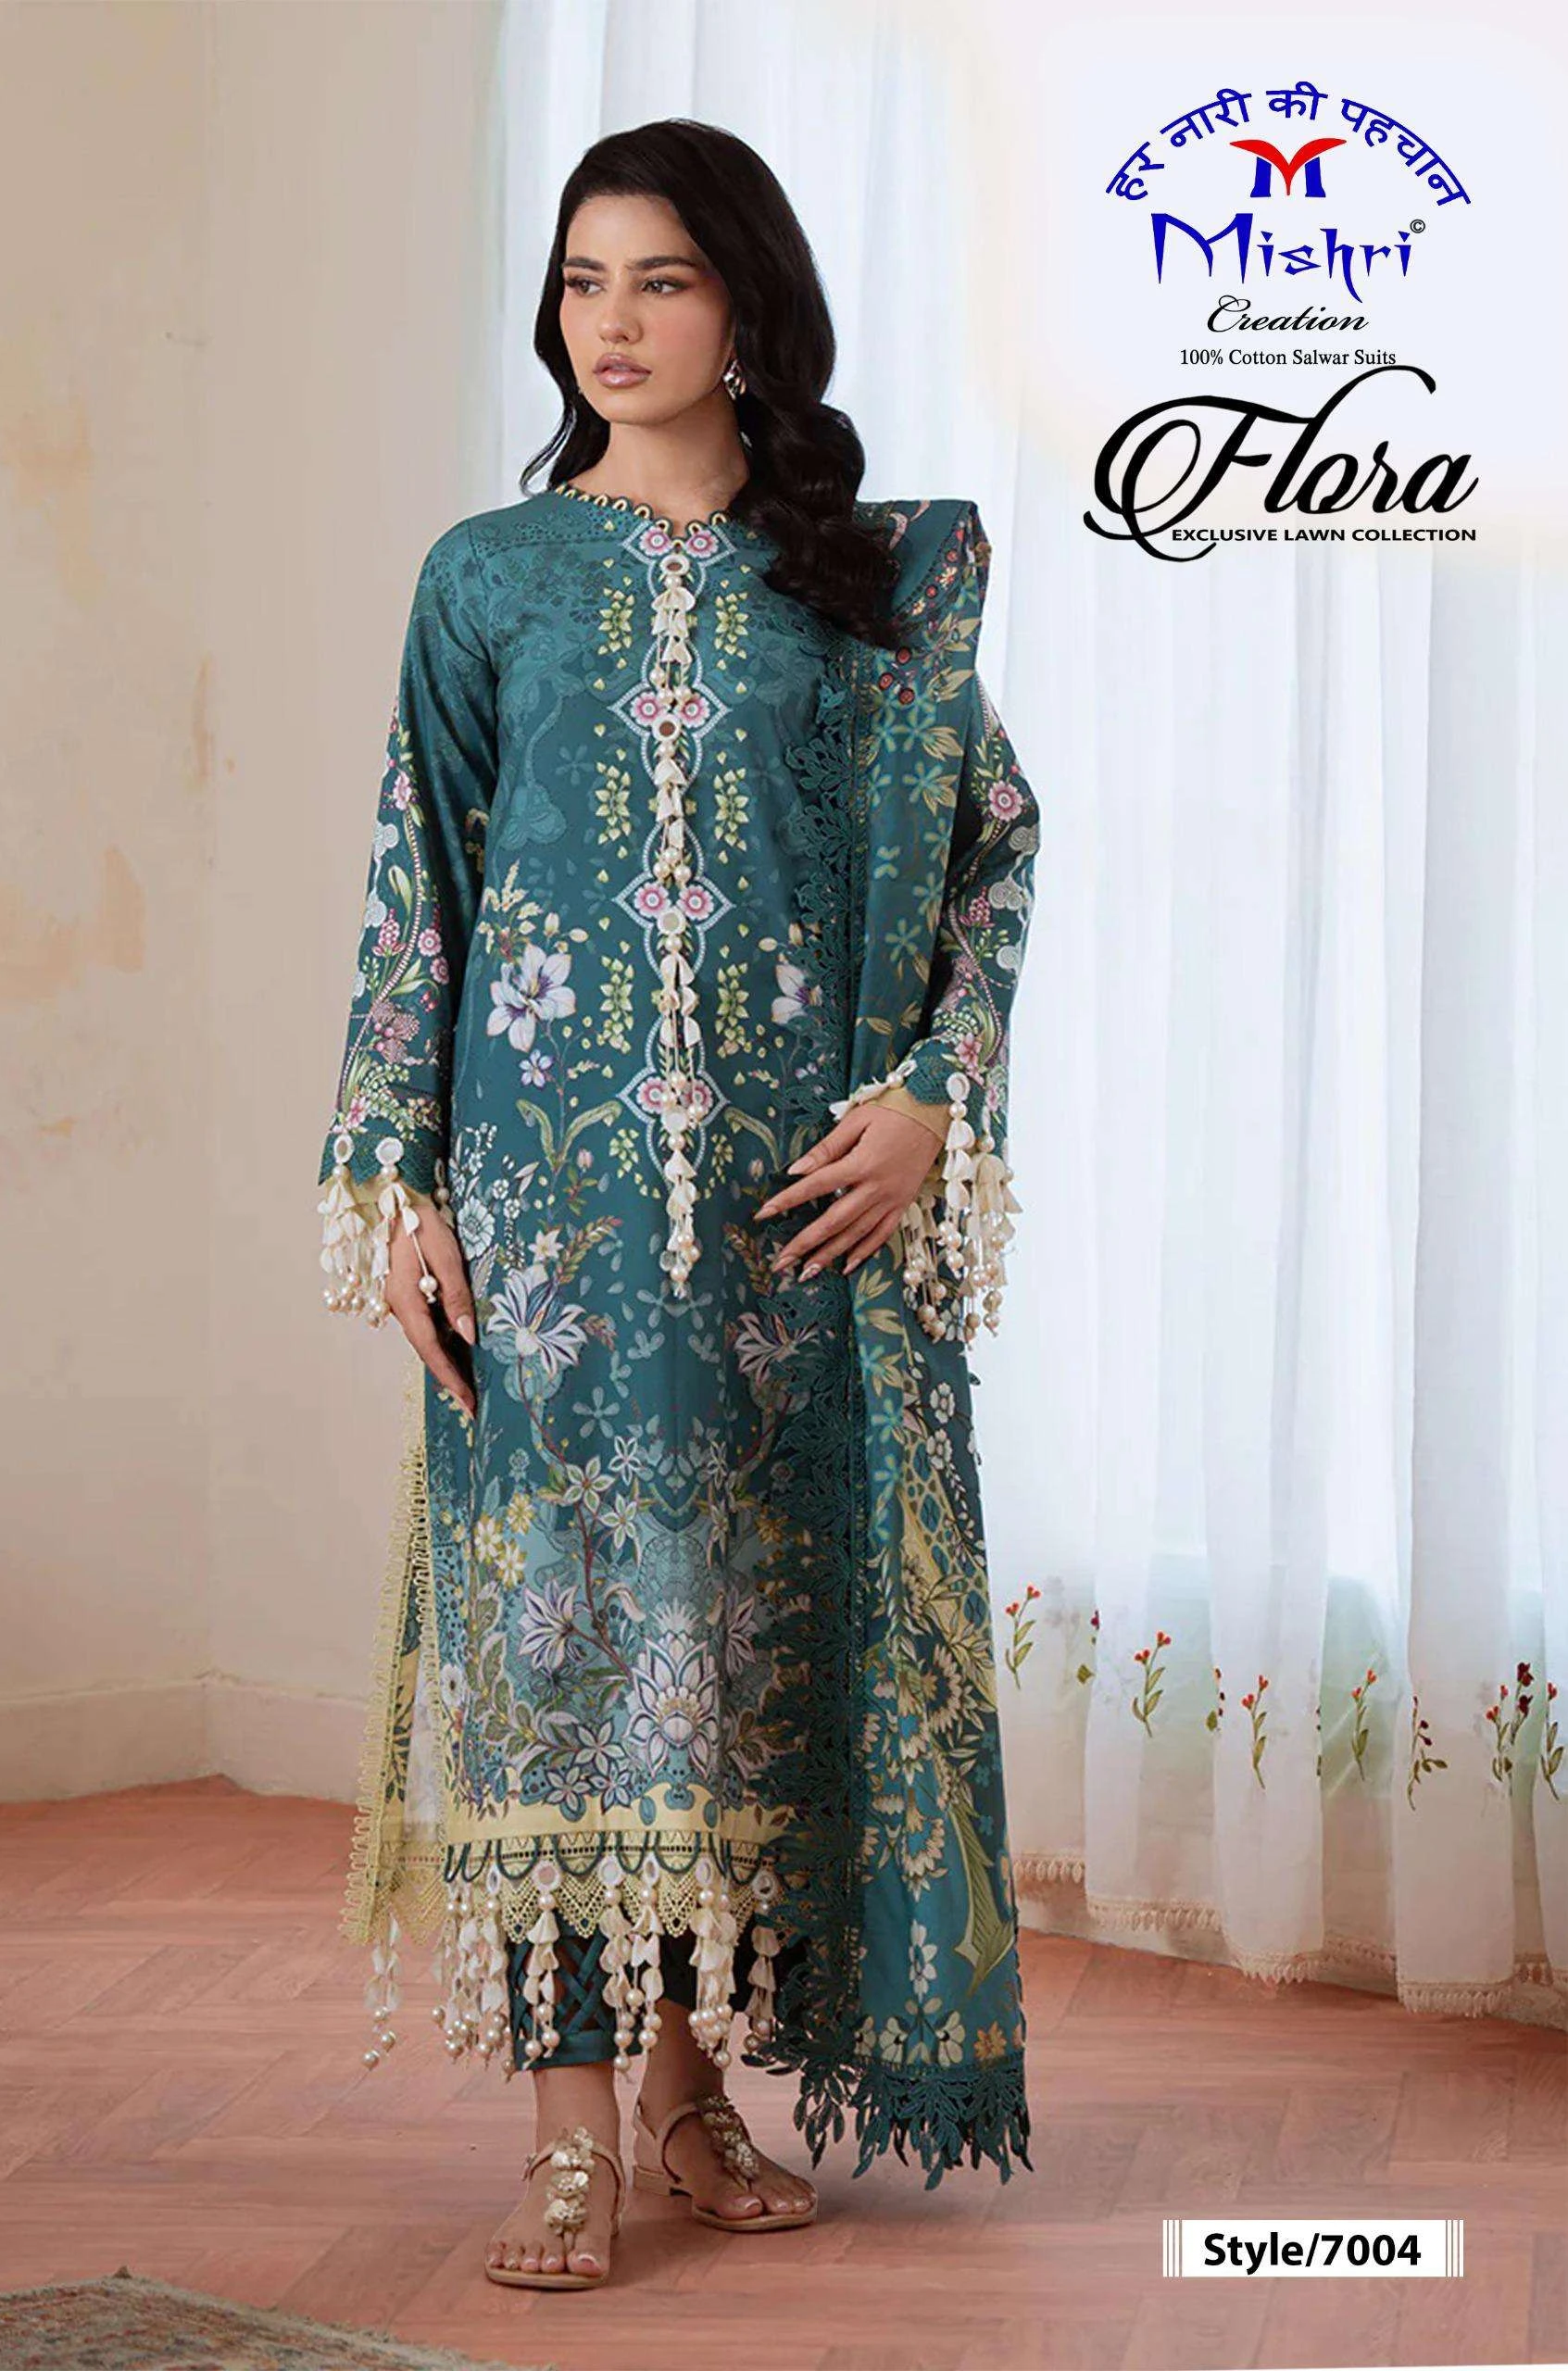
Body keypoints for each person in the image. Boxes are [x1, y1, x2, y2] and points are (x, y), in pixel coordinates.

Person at [316, 118, 1040, 2292]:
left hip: (787, 1233)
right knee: (561, 1662)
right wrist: (394, 1182)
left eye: (659, 278)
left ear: (747, 303)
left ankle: (689, 2089)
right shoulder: (490, 577)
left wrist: (929, 1100)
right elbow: (418, 890)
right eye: (579, 280)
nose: (610, 323)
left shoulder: (870, 583)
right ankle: (567, 2134)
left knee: (726, 1663)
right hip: (542, 1227)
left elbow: (993, 848)